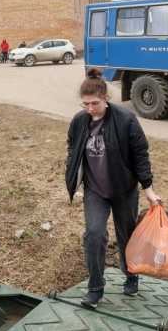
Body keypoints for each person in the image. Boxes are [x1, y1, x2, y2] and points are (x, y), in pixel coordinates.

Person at [65, 68, 162, 308]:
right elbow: (72, 146)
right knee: (94, 235)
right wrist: (74, 171)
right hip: (95, 191)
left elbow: (140, 154)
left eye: (95, 103)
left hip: (124, 190)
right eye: (85, 104)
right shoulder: (79, 120)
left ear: (106, 97)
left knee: (126, 236)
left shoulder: (125, 119)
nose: (90, 108)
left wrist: (148, 189)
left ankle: (130, 276)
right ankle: (95, 288)